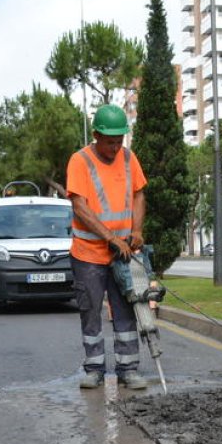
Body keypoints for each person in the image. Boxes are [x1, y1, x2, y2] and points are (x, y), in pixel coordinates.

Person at [67, 104, 148, 391]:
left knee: (125, 309)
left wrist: (136, 230)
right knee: (90, 311)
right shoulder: (80, 161)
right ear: (97, 135)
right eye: (110, 141)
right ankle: (94, 369)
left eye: (120, 141)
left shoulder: (129, 158)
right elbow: (80, 207)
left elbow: (138, 194)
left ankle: (128, 369)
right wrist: (110, 237)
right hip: (88, 254)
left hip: (122, 253)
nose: (116, 147)